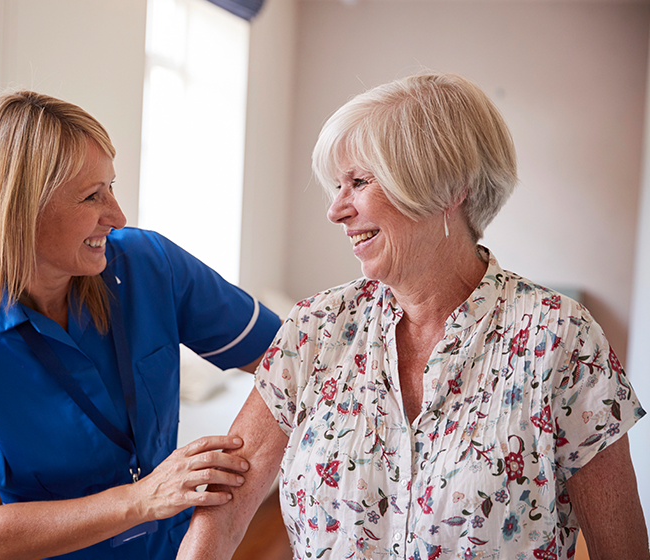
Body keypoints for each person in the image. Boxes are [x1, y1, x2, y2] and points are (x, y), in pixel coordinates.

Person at [177, 72, 649, 560]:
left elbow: (622, 548)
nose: (335, 210)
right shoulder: (314, 328)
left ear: (449, 189)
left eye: (359, 182)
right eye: (337, 186)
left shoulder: (560, 338)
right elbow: (225, 510)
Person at [0, 90, 281, 560]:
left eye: (112, 186)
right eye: (91, 196)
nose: (118, 215)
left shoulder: (150, 264)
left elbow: (294, 359)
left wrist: (218, 527)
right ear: (19, 209)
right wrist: (142, 500)